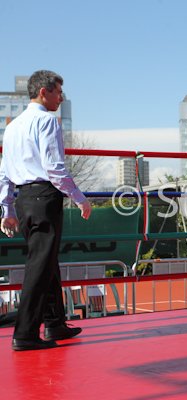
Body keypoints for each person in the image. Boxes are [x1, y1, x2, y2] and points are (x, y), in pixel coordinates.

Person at [0, 70, 92, 351]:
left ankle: (54, 323)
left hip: (24, 199)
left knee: (46, 260)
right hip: (44, 196)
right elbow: (54, 167)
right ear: (43, 92)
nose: (61, 98)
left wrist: (7, 208)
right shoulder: (47, 121)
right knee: (40, 265)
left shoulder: (12, 127)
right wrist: (79, 198)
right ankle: (25, 334)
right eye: (58, 92)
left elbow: (4, 171)